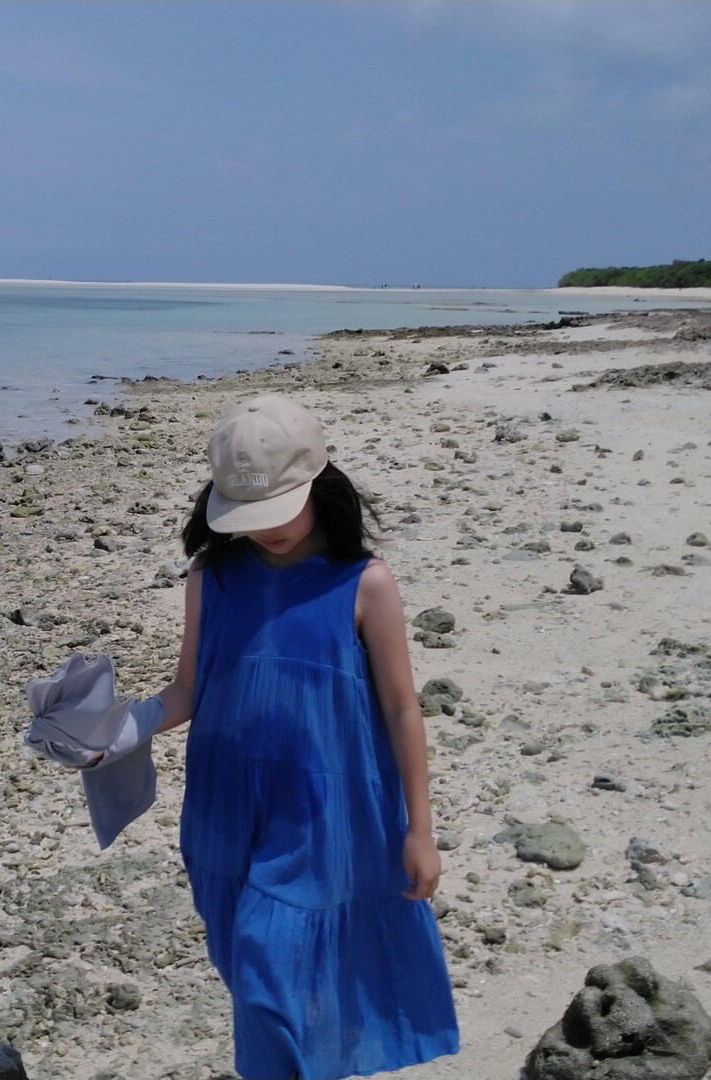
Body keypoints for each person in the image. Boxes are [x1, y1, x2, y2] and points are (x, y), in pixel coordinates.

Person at [150, 394, 460, 1080]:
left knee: (267, 974)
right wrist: (120, 728)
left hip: (324, 817)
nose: (267, 531)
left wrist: (419, 828)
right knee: (256, 977)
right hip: (222, 811)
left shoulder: (366, 584)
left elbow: (403, 707)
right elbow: (186, 692)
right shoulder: (214, 577)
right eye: (249, 516)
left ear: (321, 484)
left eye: (281, 510)